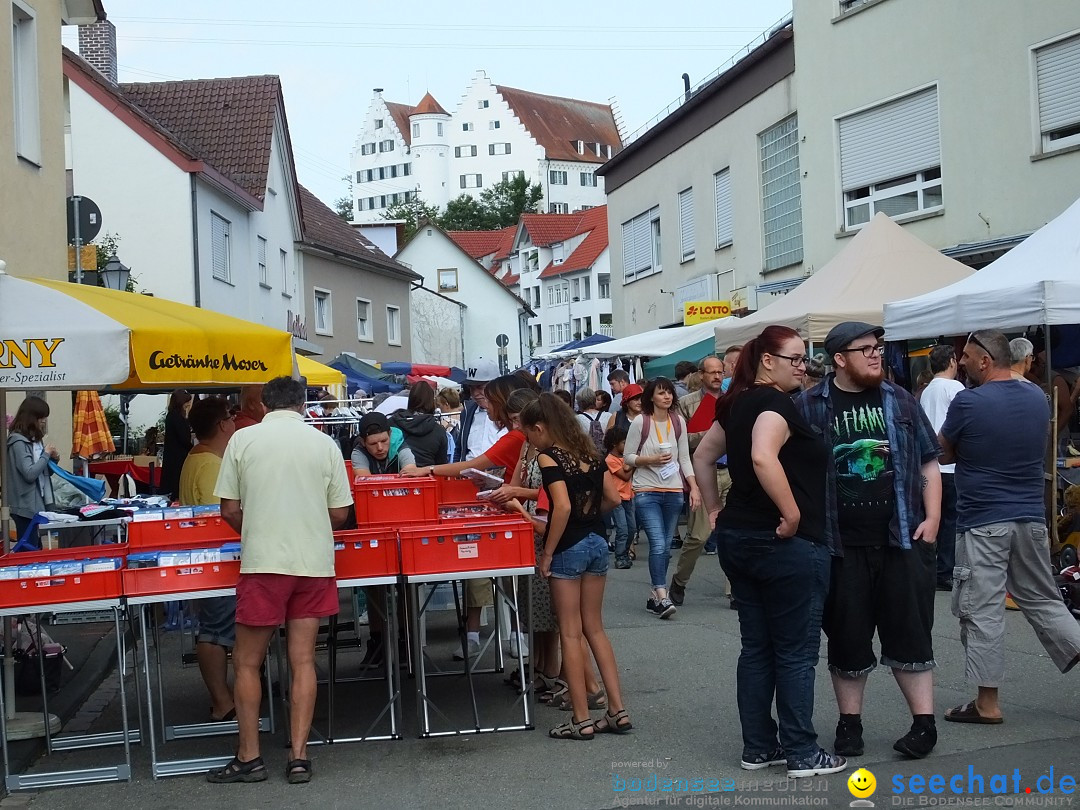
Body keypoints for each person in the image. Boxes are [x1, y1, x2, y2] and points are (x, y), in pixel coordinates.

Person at [693, 325, 844, 779]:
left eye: (804, 359)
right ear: (767, 361)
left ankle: (759, 745)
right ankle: (801, 751)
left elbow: (703, 456)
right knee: (796, 651)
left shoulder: (733, 403)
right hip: (784, 541)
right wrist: (792, 512)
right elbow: (762, 456)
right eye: (795, 358)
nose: (803, 367)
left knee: (757, 647)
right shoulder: (776, 404)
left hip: (741, 537)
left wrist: (717, 508)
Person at [794, 322, 942, 761]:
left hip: (903, 538)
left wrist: (933, 518)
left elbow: (930, 462)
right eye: (866, 350)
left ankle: (924, 726)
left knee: (911, 633)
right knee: (847, 637)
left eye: (878, 348)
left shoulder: (901, 400)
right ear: (840, 358)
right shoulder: (808, 406)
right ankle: (849, 726)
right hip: (840, 545)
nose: (877, 355)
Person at [208, 376, 352, 785]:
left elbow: (229, 509)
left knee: (248, 661)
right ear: (302, 404)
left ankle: (249, 756)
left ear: (264, 405)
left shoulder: (243, 441)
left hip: (264, 562)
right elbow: (340, 513)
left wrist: (257, 528)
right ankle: (299, 756)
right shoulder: (324, 444)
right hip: (313, 562)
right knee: (303, 659)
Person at [939, 330, 1080, 725]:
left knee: (982, 611)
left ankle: (987, 704)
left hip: (984, 521)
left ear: (986, 360)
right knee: (1045, 601)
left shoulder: (968, 402)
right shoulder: (1037, 398)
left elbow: (943, 449)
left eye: (966, 356)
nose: (961, 362)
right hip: (1030, 518)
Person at [509, 393, 632, 739]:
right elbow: (611, 498)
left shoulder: (551, 458)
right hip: (596, 543)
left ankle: (581, 718)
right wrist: (589, 517)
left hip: (568, 547)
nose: (529, 441)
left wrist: (547, 552)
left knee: (570, 632)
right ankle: (617, 709)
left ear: (540, 427)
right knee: (596, 628)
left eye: (529, 434)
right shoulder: (590, 454)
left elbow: (560, 507)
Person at [403, 374, 531, 658]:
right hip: (503, 507)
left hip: (511, 510)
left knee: (502, 575)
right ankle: (492, 635)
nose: (482, 401)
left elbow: (475, 463)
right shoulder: (506, 429)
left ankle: (508, 635)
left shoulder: (515, 435)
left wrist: (429, 470)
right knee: (489, 574)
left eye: (487, 397)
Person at [178, 397, 238, 724]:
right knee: (216, 631)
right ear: (221, 424)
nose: (234, 420)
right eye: (231, 416)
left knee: (215, 628)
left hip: (204, 558)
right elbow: (225, 517)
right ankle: (222, 701)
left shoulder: (196, 458)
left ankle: (225, 698)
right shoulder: (212, 465)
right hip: (217, 560)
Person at [624, 377, 701, 619]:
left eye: (669, 393)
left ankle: (654, 596)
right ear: (651, 397)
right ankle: (661, 592)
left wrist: (694, 486)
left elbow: (684, 458)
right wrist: (650, 460)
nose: (667, 397)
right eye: (661, 393)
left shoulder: (678, 421)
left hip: (674, 489)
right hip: (647, 489)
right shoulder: (640, 422)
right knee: (658, 543)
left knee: (666, 547)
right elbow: (627, 457)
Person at [671, 356, 731, 607]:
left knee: (732, 533)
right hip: (705, 473)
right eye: (712, 372)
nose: (717, 376)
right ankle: (679, 581)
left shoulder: (733, 400)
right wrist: (711, 436)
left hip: (732, 471)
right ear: (701, 375)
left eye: (721, 372)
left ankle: (736, 590)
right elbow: (680, 442)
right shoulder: (686, 403)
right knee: (698, 535)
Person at [920, 344, 965, 592]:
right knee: (951, 520)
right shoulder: (955, 388)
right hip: (950, 464)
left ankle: (936, 566)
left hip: (929, 465)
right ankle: (945, 570)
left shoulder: (927, 390)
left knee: (934, 518)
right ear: (951, 362)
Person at [5, 396, 59, 544]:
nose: (43, 421)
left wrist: (54, 458)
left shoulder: (35, 440)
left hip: (36, 503)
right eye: (41, 417)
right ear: (31, 417)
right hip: (24, 506)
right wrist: (46, 454)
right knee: (29, 548)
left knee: (35, 547)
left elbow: (45, 473)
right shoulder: (18, 442)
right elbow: (30, 474)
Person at [453, 357, 503, 462]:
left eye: (480, 387)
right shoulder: (467, 412)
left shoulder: (509, 411)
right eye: (471, 388)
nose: (475, 393)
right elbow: (460, 449)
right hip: (469, 474)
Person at [388, 383, 448, 467]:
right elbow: (441, 465)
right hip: (427, 476)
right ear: (432, 401)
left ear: (411, 399)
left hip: (398, 475)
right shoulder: (439, 430)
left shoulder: (392, 423)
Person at [604, 427, 636, 569]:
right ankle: (620, 556)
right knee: (622, 528)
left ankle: (625, 551)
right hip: (617, 498)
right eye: (624, 443)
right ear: (614, 444)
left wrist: (631, 465)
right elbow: (625, 475)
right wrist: (634, 464)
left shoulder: (625, 458)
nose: (626, 446)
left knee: (632, 528)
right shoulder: (610, 460)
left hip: (629, 496)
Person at [351, 412, 419, 475]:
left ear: (390, 435)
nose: (380, 448)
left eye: (384, 441)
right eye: (373, 444)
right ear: (363, 442)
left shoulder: (399, 445)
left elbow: (411, 472)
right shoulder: (359, 452)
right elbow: (363, 482)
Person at [162, 389, 193, 500]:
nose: (188, 405)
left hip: (174, 456)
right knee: (176, 484)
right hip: (178, 457)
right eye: (186, 402)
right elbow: (183, 438)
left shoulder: (172, 416)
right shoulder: (177, 417)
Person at [575, 388, 607, 458]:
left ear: (580, 403)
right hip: (606, 458)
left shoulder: (577, 419)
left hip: (586, 457)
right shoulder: (609, 416)